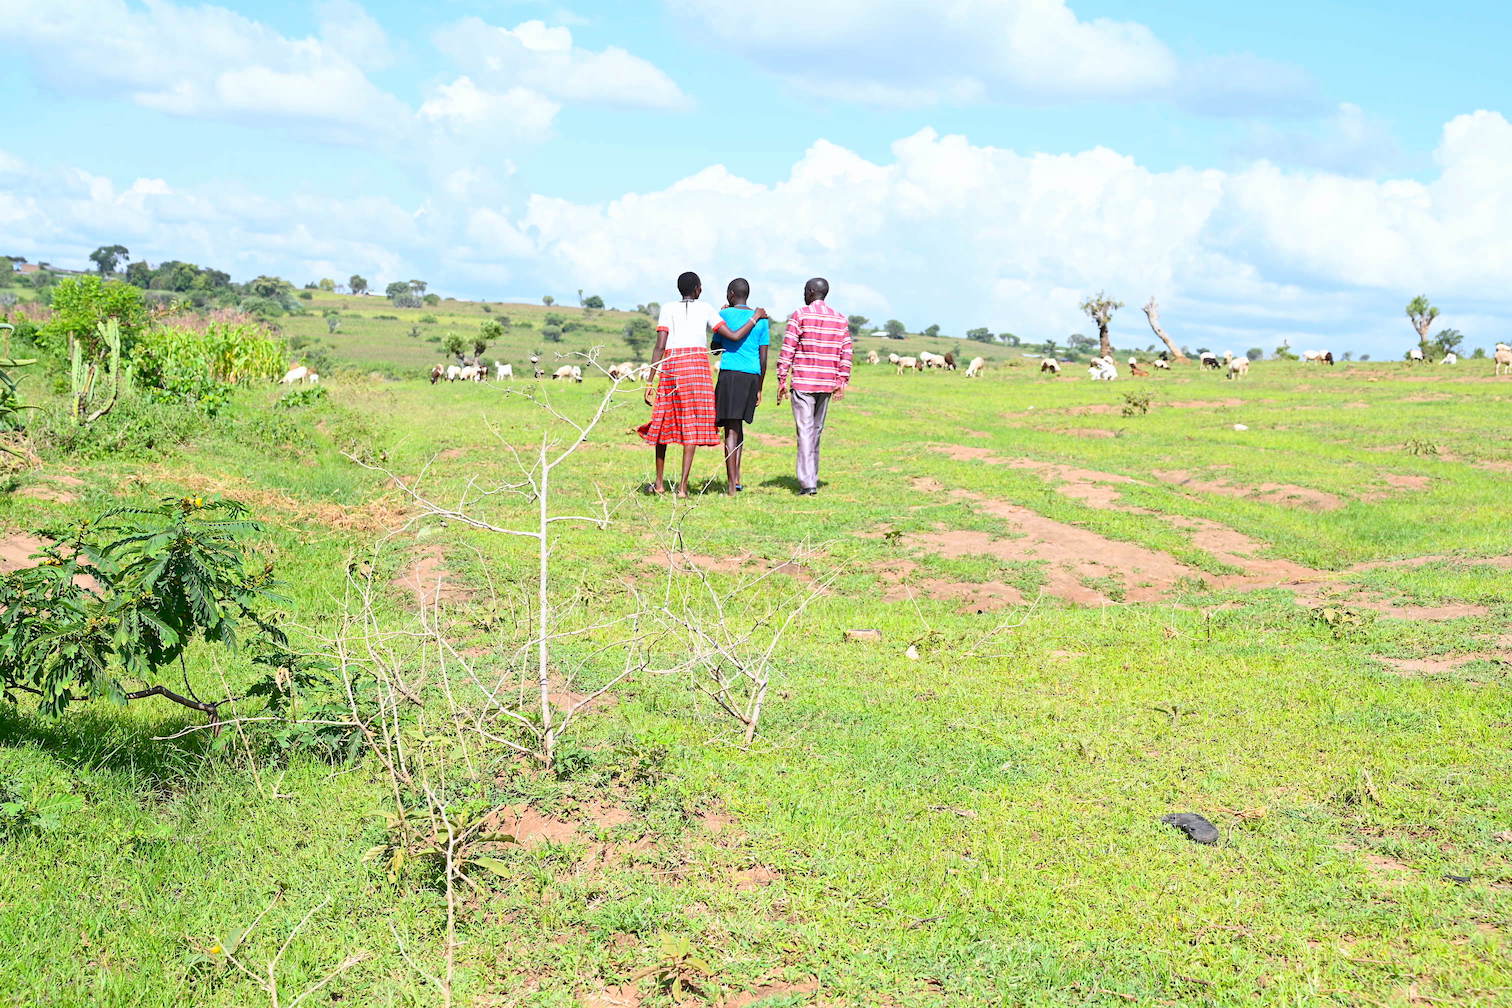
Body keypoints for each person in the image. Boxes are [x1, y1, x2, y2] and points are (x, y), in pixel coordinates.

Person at [639, 271, 766, 497]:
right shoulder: (706, 308)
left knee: (662, 421)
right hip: (696, 366)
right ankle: (683, 488)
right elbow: (734, 337)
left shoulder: (667, 308)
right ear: (698, 288)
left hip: (671, 364)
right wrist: (755, 317)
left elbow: (659, 345)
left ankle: (659, 484)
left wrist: (650, 380)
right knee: (691, 423)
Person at [776, 277, 852, 496]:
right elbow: (846, 352)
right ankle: (812, 477)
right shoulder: (840, 319)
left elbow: (788, 349)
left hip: (803, 381)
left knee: (805, 431)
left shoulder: (800, 315)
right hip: (827, 383)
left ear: (810, 292)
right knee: (816, 431)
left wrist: (782, 378)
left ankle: (808, 482)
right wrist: (841, 380)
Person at [712, 277, 770, 496]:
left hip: (730, 375)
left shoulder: (723, 315)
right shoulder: (762, 319)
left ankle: (730, 486)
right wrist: (760, 387)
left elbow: (716, 349)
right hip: (751, 377)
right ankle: (736, 478)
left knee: (731, 429)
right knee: (738, 427)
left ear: (730, 294)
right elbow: (764, 358)